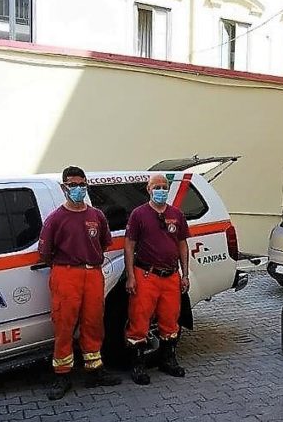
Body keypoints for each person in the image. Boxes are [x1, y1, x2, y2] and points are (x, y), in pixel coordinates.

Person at [38, 166, 121, 400]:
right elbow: (44, 253)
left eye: (81, 184)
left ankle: (94, 370)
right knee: (64, 325)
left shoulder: (96, 216)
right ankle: (62, 374)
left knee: (93, 323)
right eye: (72, 185)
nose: (77, 189)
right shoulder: (56, 219)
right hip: (66, 275)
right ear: (64, 187)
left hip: (93, 274)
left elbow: (104, 243)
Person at [124, 174, 191, 385]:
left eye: (164, 187)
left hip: (170, 276)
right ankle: (138, 365)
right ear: (148, 189)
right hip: (146, 275)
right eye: (157, 187)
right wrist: (130, 276)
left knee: (171, 320)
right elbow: (129, 245)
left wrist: (185, 274)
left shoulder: (176, 214)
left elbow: (182, 244)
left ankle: (168, 360)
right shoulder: (139, 214)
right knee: (139, 320)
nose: (161, 190)